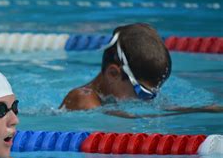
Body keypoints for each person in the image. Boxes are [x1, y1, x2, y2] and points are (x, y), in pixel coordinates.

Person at [59, 23, 222, 117]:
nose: (148, 100)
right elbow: (123, 118)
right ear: (113, 74)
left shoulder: (113, 95)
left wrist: (202, 109)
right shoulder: (83, 98)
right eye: (143, 92)